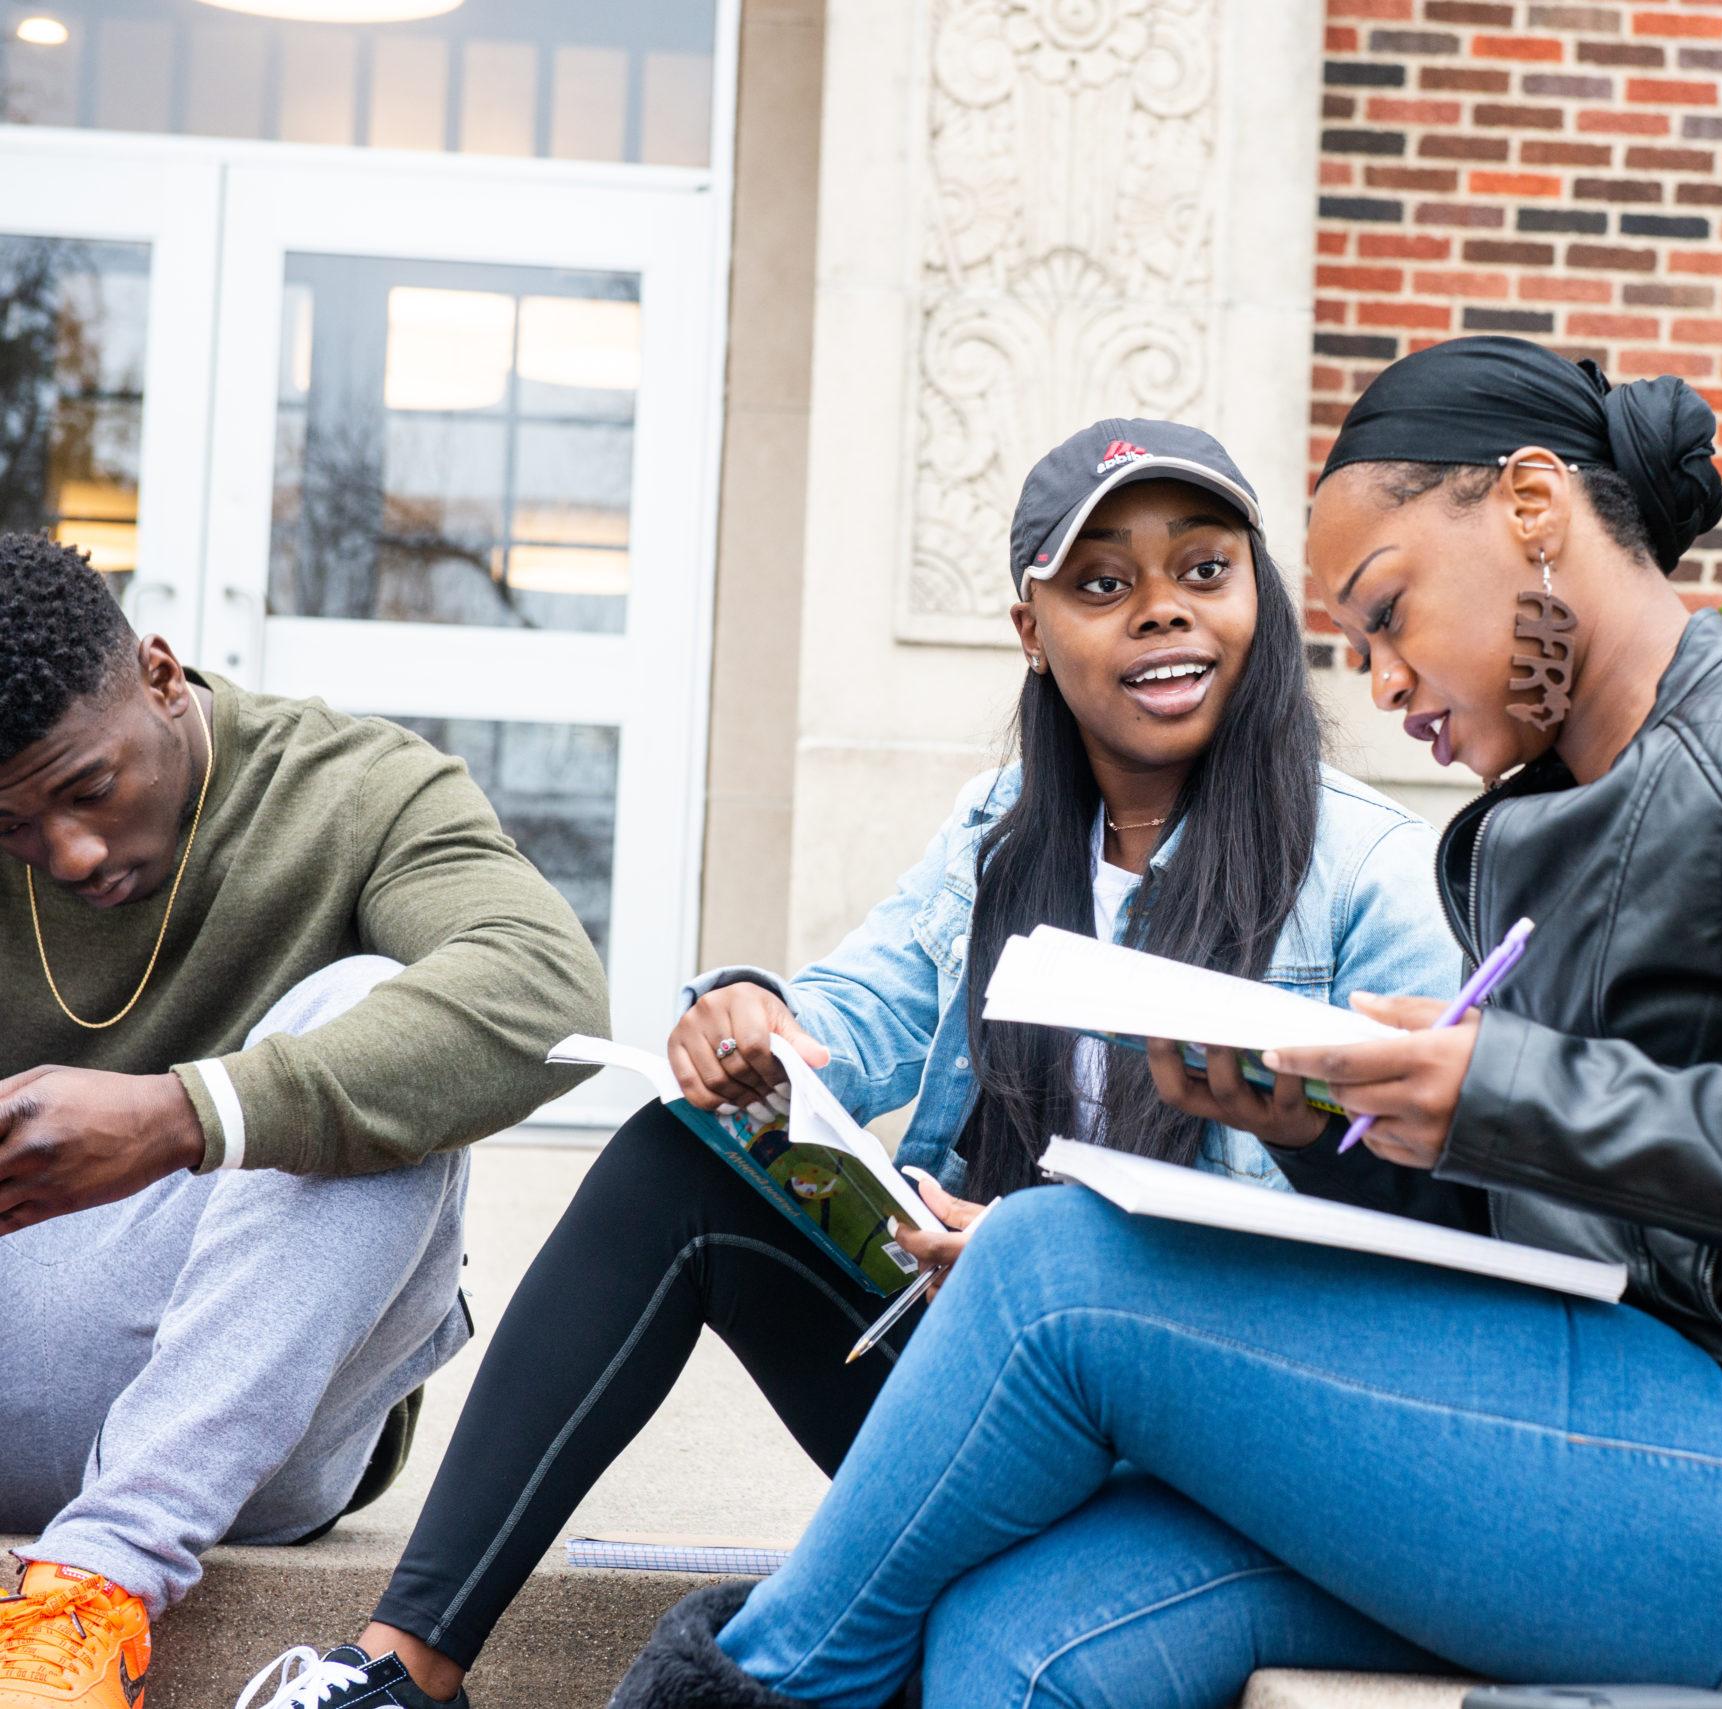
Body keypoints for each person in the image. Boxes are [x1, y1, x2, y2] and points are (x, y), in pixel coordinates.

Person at [600, 339, 1722, 1709]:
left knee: (1058, 1268)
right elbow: (1551, 1222)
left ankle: (764, 1690)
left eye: (1386, 613)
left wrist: (1509, 1086)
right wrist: (1329, 1134)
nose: (1382, 683)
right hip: (1614, 1423)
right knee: (1024, 1634)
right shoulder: (1538, 826)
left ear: (1531, 508)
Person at [236, 419, 1465, 1709]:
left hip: (1217, 1442)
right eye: (1104, 584)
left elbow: (1418, 1247)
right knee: (680, 1153)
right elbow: (858, 1005)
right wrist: (758, 1013)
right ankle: (396, 1671)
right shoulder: (1000, 837)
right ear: (1031, 630)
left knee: (1042, 1295)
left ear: (1258, 596)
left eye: (1205, 571)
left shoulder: (1370, 875)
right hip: (990, 1400)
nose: (1166, 613)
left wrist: (1060, 1263)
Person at [0, 533, 610, 1709]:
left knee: (378, 1013)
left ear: (163, 674)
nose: (67, 850)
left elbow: (548, 995)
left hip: (247, 1419)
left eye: (88, 789)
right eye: (17, 827)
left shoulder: (355, 789)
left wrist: (191, 1115)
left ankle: (89, 1594)